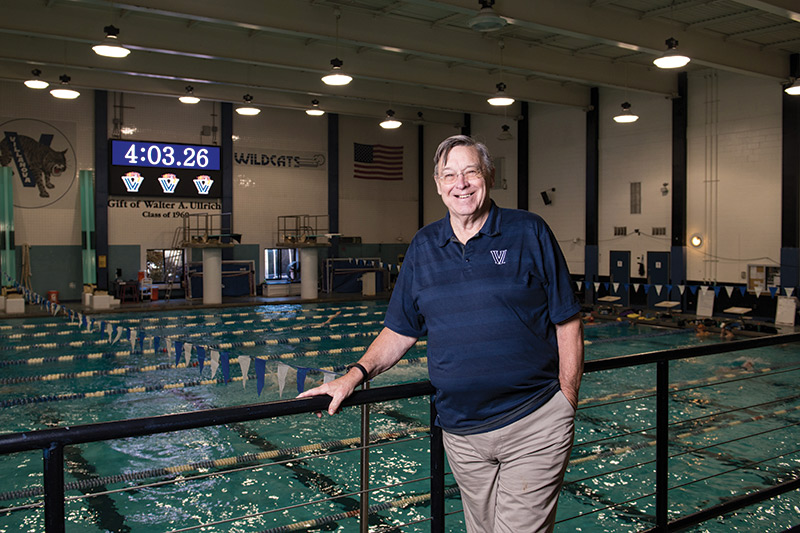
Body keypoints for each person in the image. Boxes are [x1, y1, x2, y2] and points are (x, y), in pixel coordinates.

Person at [299, 135, 583, 532]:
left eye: (471, 172)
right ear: (437, 184)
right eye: (450, 175)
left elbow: (566, 319)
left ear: (489, 176)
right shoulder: (424, 245)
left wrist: (567, 399)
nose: (461, 183)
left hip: (533, 421)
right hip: (462, 433)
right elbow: (399, 331)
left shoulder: (529, 231)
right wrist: (351, 377)